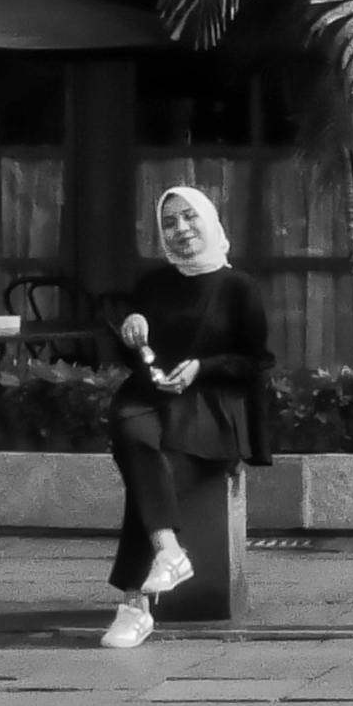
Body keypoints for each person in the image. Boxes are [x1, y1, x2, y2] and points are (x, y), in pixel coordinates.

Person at [96, 184, 272, 651]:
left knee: (155, 466)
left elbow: (256, 361)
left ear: (209, 220)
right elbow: (136, 352)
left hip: (211, 404)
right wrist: (132, 333)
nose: (181, 229)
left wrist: (202, 367)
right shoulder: (154, 284)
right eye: (170, 222)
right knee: (131, 429)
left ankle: (135, 604)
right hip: (152, 395)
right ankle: (169, 552)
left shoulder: (239, 287)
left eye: (189, 217)